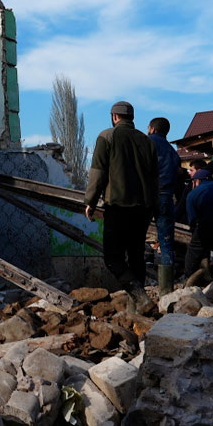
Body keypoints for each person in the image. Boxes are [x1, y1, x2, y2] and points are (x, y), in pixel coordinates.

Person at [84, 101, 159, 312]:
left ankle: (140, 297)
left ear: (114, 117)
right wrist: (155, 206)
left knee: (113, 258)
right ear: (131, 118)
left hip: (118, 205)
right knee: (136, 255)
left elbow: (98, 172)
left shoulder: (107, 136)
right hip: (144, 207)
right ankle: (136, 309)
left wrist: (90, 201)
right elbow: (155, 178)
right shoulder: (147, 141)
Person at [147, 117, 181, 296]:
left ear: (152, 128)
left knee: (136, 241)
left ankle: (136, 292)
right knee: (167, 242)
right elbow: (178, 173)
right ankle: (166, 291)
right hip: (167, 198)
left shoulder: (147, 142)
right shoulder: (172, 151)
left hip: (147, 196)